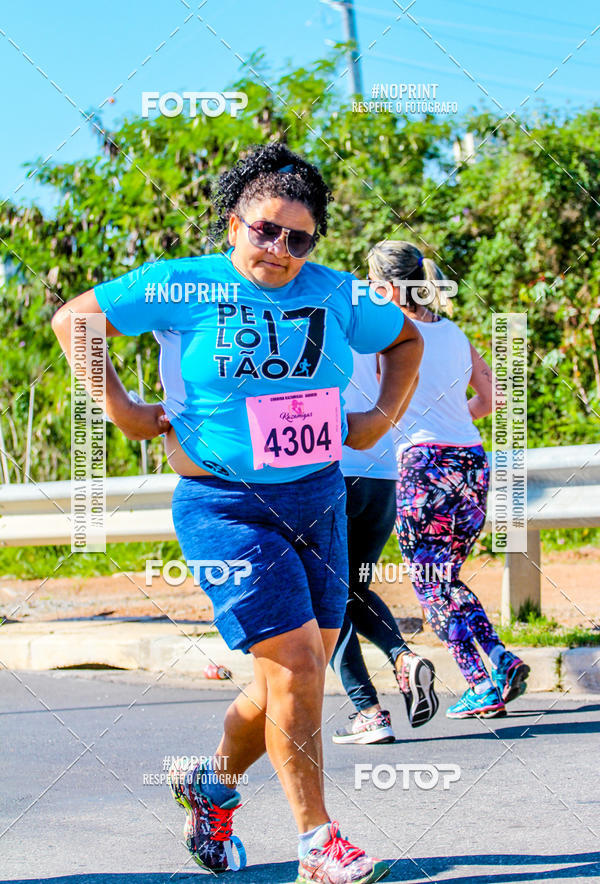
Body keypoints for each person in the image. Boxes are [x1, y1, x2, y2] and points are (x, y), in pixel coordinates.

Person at [51, 143, 423, 884]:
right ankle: (318, 843)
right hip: (226, 508)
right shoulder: (177, 285)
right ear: (233, 224)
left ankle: (212, 786)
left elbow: (409, 337)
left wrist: (379, 419)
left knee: (293, 676)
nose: (279, 249)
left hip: (319, 498)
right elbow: (76, 320)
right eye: (264, 229)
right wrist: (122, 410)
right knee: (296, 666)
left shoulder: (339, 294)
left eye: (298, 237)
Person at [366, 240, 530, 720]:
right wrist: (450, 414)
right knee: (446, 579)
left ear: (388, 286)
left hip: (424, 468)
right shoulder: (456, 334)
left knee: (431, 585)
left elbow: (378, 402)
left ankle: (481, 681)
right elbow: (491, 398)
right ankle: (501, 661)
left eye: (374, 284)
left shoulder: (389, 333)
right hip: (472, 462)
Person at [330, 346, 439, 745]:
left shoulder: (299, 308)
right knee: (354, 590)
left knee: (326, 596)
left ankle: (368, 712)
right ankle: (403, 658)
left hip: (331, 471)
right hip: (381, 473)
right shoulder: (372, 318)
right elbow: (409, 371)